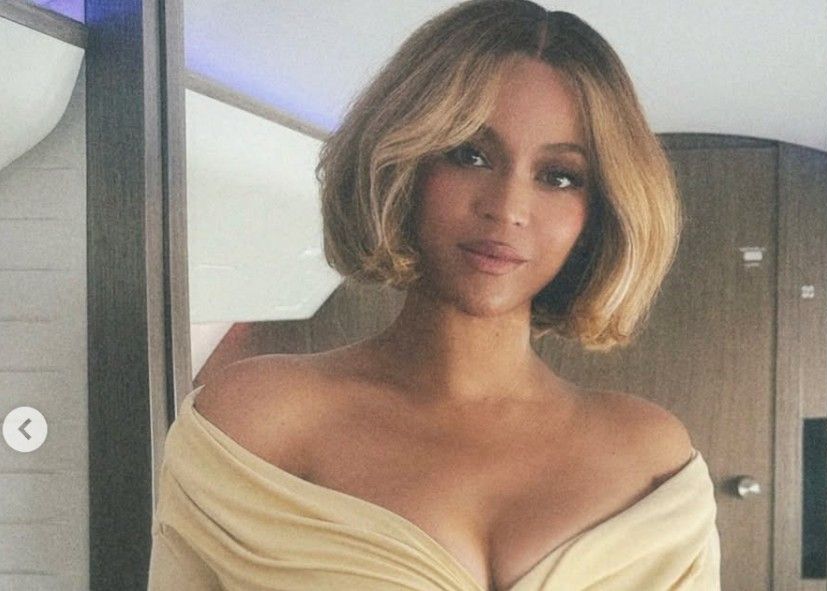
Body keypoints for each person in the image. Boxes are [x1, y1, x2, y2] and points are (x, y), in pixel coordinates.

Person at [147, 1, 720, 589]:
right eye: (470, 155)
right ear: (401, 162)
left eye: (558, 176)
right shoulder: (258, 421)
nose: (507, 208)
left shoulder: (652, 460)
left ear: (598, 212)